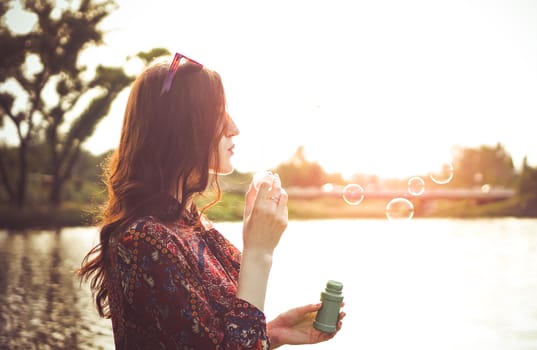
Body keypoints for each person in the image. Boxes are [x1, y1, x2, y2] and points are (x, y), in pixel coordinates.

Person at [77, 52, 345, 349]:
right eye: (218, 115)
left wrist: (272, 334)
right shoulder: (144, 240)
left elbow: (215, 340)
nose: (234, 128)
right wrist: (258, 253)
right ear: (179, 128)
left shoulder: (190, 225)